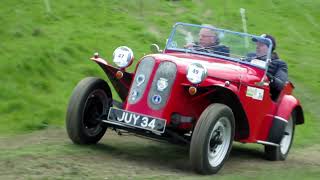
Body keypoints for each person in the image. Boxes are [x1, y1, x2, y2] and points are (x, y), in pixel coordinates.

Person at [251, 34, 288, 100]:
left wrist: (268, 77)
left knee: (248, 92)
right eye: (257, 44)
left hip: (262, 93)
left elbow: (280, 85)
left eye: (261, 45)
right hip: (246, 85)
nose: (257, 47)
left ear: (270, 48)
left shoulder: (279, 63)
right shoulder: (250, 58)